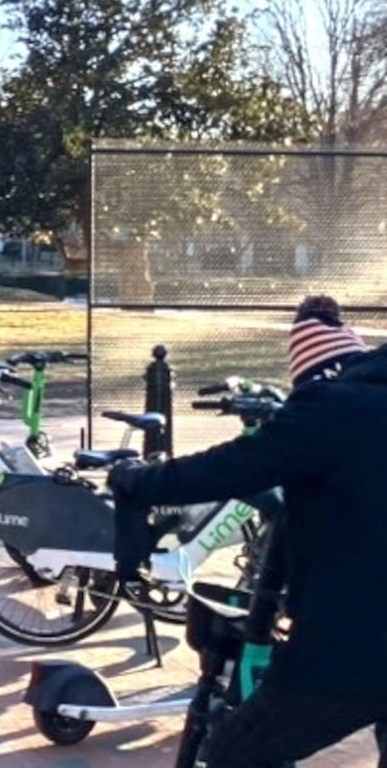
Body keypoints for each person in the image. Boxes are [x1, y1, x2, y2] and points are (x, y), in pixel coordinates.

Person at [107, 295, 387, 768]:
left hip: (351, 644)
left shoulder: (330, 408)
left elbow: (229, 468)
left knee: (236, 755)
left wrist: (139, 481)